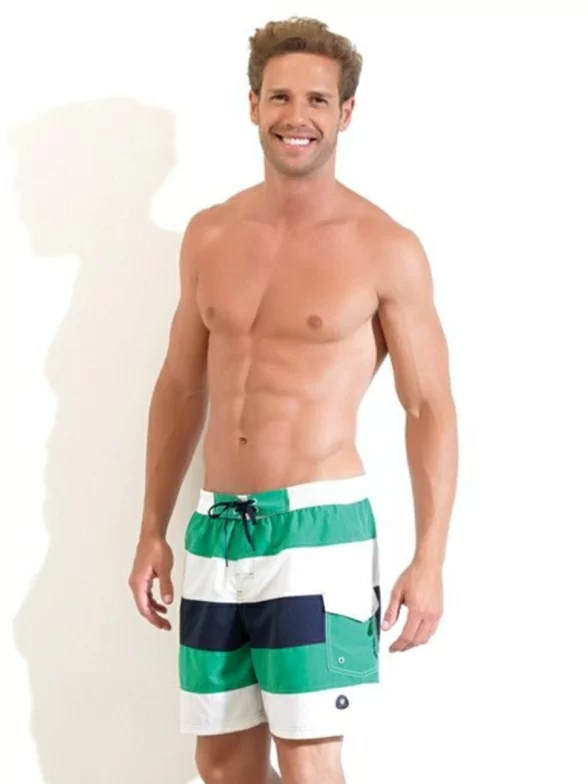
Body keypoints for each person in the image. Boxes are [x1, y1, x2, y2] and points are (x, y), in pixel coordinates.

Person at [129, 15, 458, 784]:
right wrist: (152, 528)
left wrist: (430, 558)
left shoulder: (385, 247)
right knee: (221, 763)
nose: (296, 116)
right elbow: (181, 385)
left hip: (320, 530)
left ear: (346, 113)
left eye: (317, 99)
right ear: (253, 104)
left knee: (308, 763)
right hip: (216, 528)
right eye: (279, 96)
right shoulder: (210, 234)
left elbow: (429, 407)